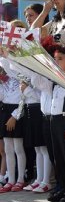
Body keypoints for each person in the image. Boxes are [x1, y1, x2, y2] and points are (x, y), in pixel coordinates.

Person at [27, 47, 65, 202]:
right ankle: (64, 187)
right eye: (55, 59)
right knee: (58, 157)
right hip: (55, 122)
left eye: (59, 59)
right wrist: (36, 65)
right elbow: (37, 82)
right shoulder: (53, 83)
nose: (55, 61)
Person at [0, 57, 26, 194]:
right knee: (8, 149)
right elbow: (2, 97)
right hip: (5, 112)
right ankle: (10, 180)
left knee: (18, 148)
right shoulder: (6, 80)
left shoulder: (21, 77)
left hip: (16, 114)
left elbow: (24, 99)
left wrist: (15, 116)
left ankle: (20, 179)